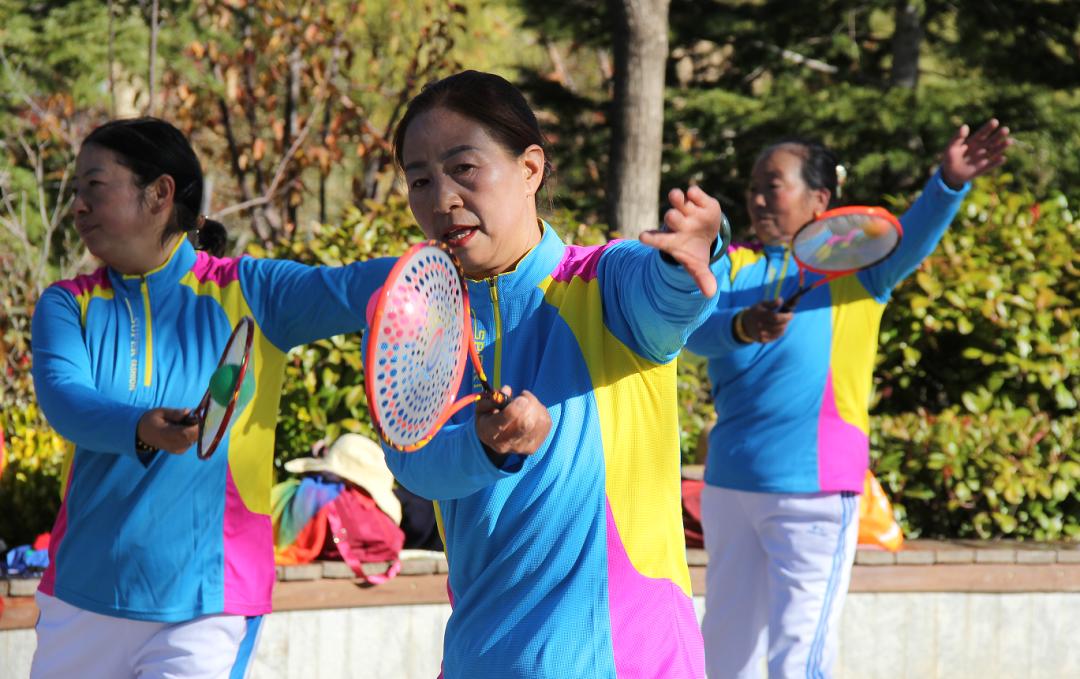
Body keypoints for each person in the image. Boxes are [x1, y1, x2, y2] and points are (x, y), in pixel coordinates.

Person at [382, 70, 726, 678]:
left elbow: (667, 295)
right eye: (420, 180)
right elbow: (413, 462)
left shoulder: (604, 281)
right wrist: (485, 446)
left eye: (465, 168)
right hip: (479, 660)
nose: (441, 200)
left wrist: (694, 254)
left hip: (628, 659)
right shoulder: (421, 324)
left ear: (530, 169)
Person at [29, 117, 392, 679]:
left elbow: (352, 289)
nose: (77, 205)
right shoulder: (66, 304)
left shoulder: (253, 292)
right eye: (75, 191)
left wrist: (451, 264)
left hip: (209, 605)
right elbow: (65, 401)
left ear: (160, 193)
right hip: (81, 597)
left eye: (94, 186)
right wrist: (142, 427)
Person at [686, 120, 1011, 678]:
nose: (759, 198)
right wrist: (741, 325)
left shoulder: (860, 269)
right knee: (724, 650)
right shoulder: (731, 265)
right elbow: (690, 333)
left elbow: (916, 231)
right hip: (729, 486)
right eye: (754, 187)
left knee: (799, 652)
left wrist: (948, 182)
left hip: (814, 489)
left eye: (774, 185)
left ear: (820, 199)